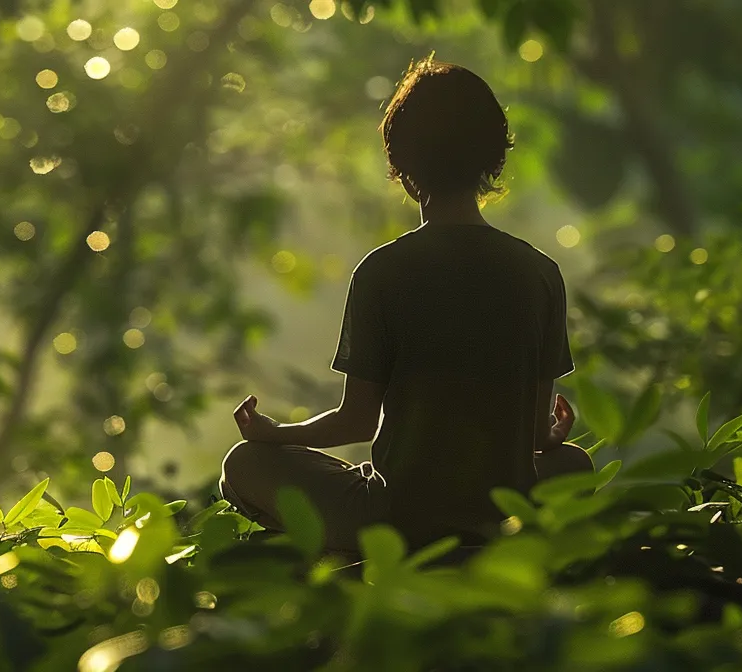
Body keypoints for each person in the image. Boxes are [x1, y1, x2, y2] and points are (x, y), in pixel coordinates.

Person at [219, 58, 593, 554]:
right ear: (492, 159)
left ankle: (340, 548)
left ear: (405, 166)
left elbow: (355, 421)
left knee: (243, 464)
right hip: (501, 513)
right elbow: (531, 436)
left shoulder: (382, 272)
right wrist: (550, 436)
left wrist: (276, 432)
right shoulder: (540, 273)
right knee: (574, 465)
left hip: (395, 521)